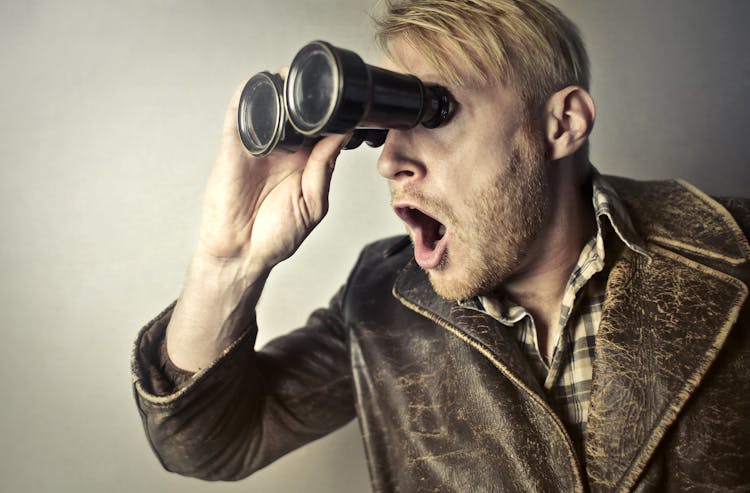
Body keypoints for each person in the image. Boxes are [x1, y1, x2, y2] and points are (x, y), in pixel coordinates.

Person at [131, 0, 750, 491]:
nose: (391, 161)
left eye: (435, 112)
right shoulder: (380, 299)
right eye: (384, 129)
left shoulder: (735, 248)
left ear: (562, 124)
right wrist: (227, 266)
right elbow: (212, 444)